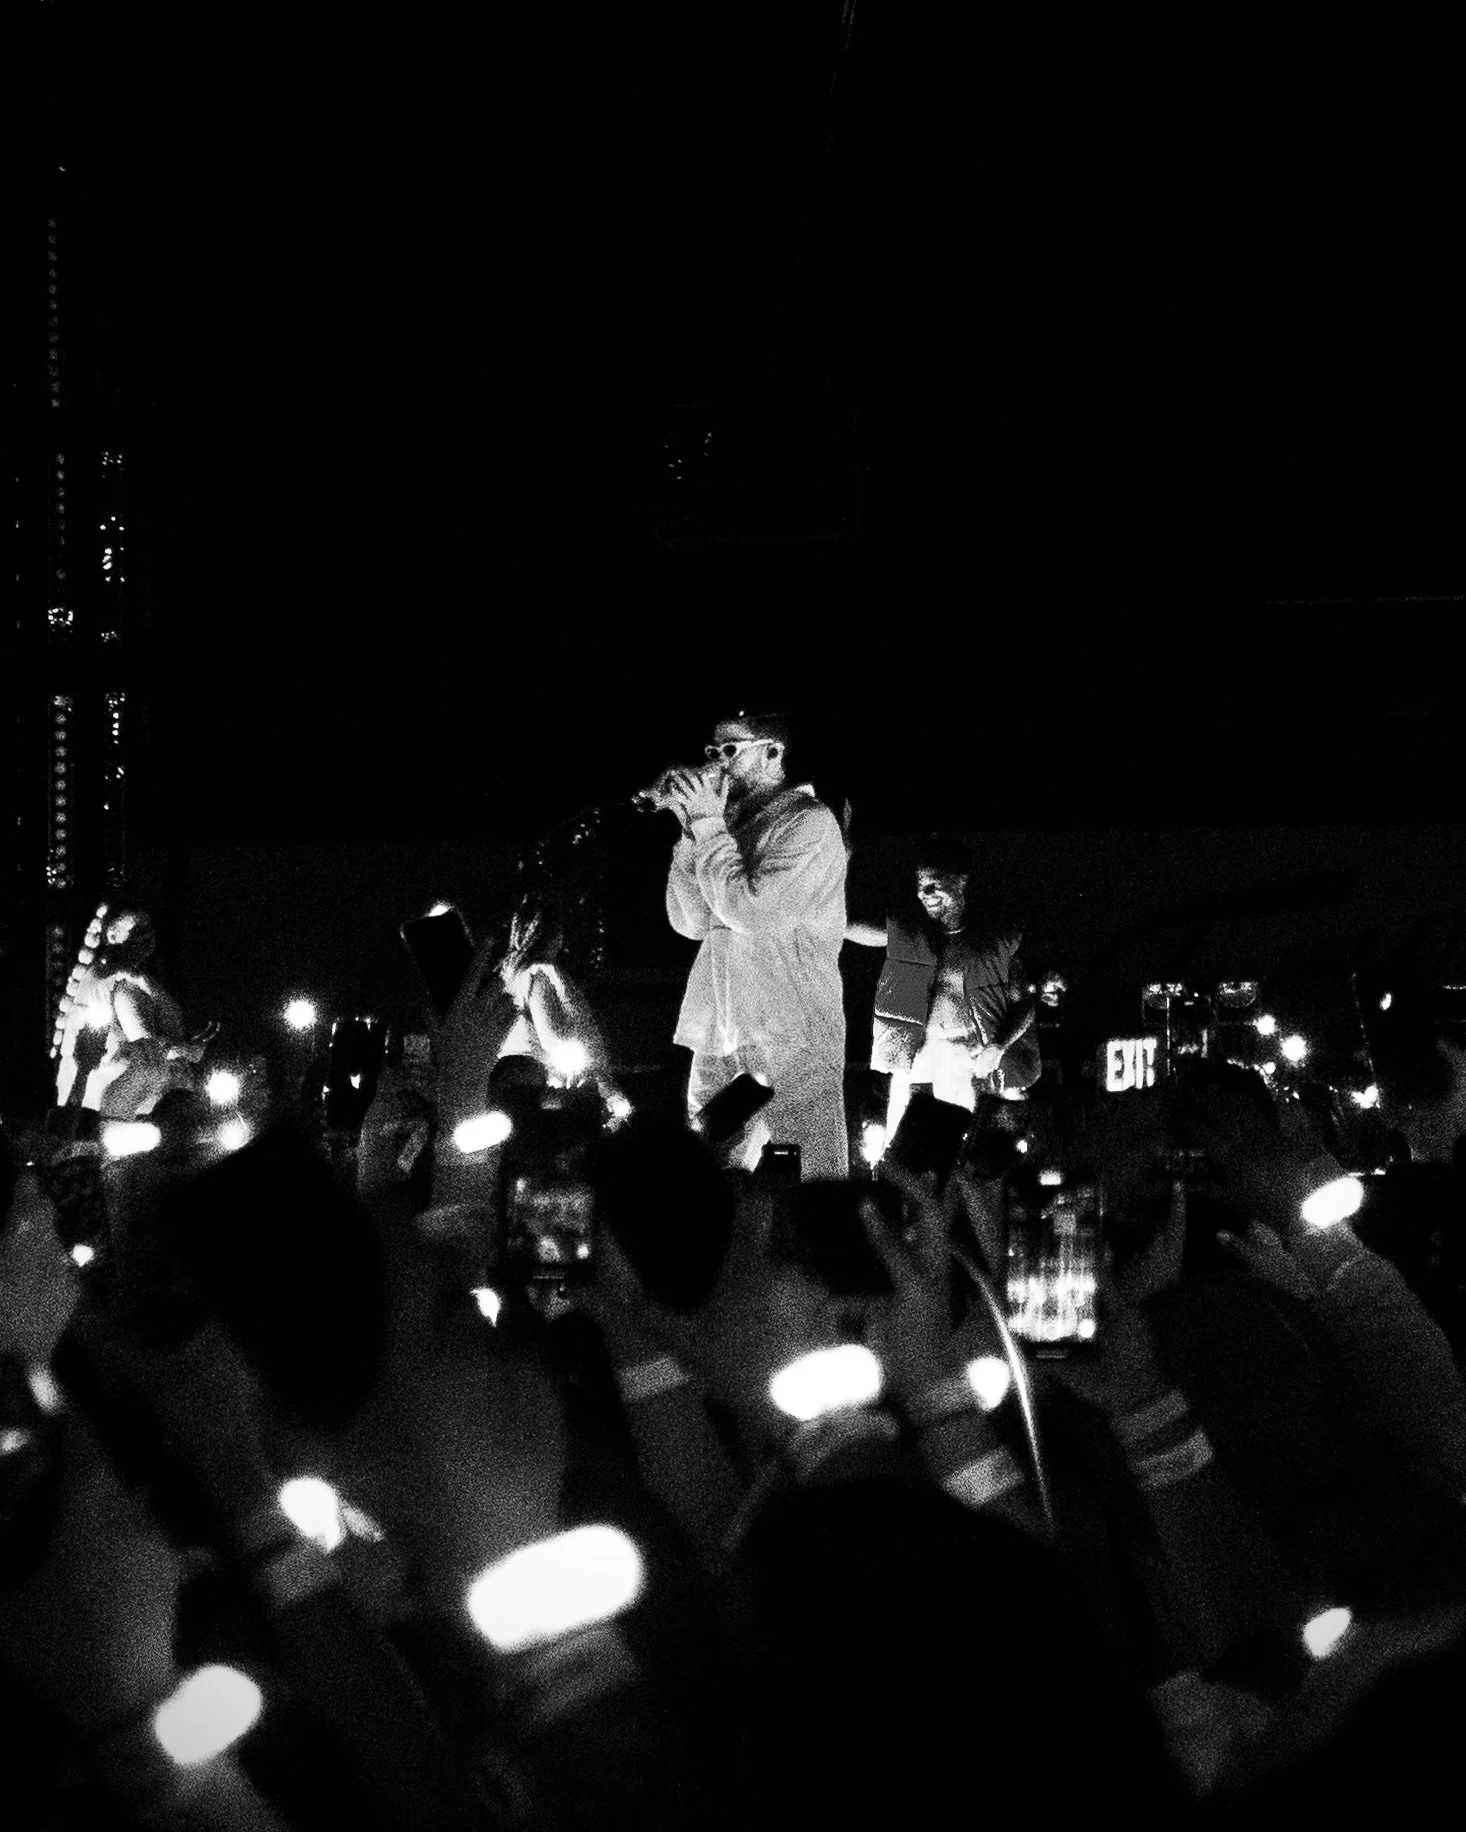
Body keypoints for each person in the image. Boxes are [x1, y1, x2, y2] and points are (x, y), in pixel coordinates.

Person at [660, 709, 849, 1179]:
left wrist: (708, 826)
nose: (718, 763)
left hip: (790, 1034)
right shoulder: (726, 827)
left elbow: (752, 912)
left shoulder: (809, 822)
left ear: (773, 753)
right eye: (713, 751)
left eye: (731, 750)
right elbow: (692, 922)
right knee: (709, 1173)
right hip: (720, 1029)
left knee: (807, 1176)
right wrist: (690, 832)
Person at [847, 835, 1040, 1141]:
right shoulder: (912, 936)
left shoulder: (990, 943)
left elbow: (1024, 1005)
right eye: (920, 884)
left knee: (956, 1147)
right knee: (900, 1148)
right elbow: (858, 929)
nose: (925, 893)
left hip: (964, 1056)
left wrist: (998, 1047)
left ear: (960, 882)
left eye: (934, 883)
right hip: (915, 1056)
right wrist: (829, 918)